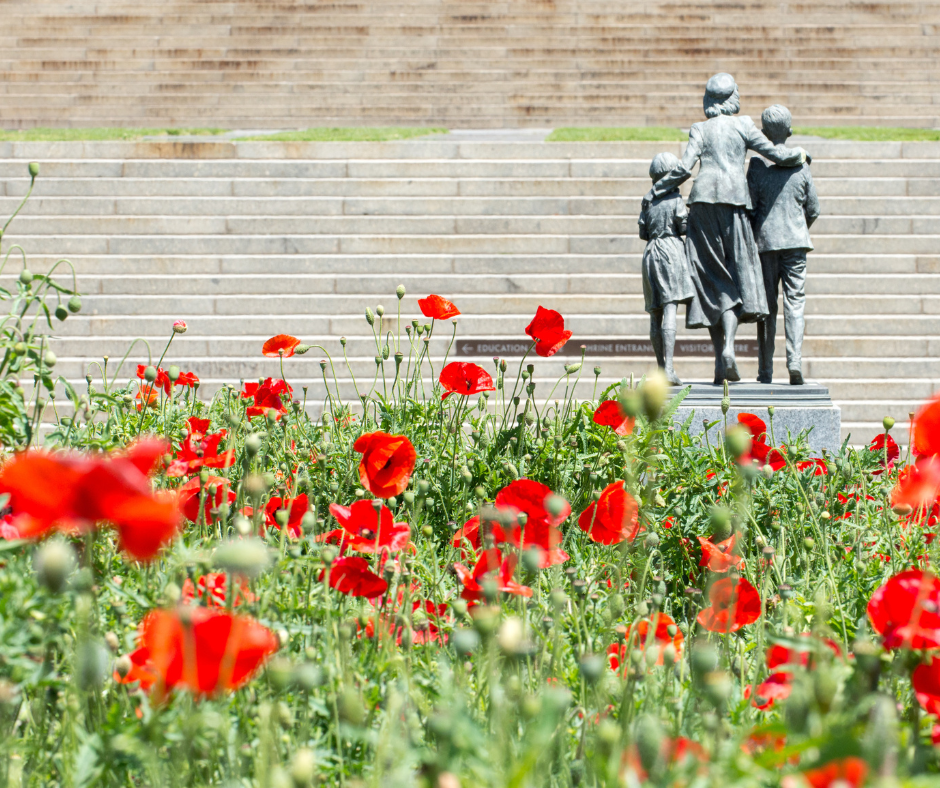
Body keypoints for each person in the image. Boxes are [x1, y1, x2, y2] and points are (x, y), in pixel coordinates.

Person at [646, 73, 809, 384]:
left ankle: (721, 362)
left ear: (708, 101)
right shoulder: (743, 124)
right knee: (734, 278)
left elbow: (683, 168)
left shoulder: (700, 128)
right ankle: (729, 350)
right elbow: (775, 153)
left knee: (710, 280)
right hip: (734, 204)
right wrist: (799, 156)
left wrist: (658, 189)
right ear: (734, 98)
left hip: (703, 204)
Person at [747, 104, 820, 386]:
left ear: (764, 132)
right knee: (795, 303)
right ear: (788, 131)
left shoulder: (757, 168)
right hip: (795, 244)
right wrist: (798, 229)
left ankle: (765, 370)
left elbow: (750, 208)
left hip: (765, 243)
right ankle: (794, 361)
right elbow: (813, 209)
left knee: (766, 307)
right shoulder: (801, 167)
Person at [638, 152, 696, 385]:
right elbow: (682, 226)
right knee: (670, 308)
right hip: (670, 251)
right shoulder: (675, 200)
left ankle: (661, 368)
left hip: (650, 253)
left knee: (655, 313)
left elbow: (643, 233)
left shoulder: (647, 201)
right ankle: (670, 368)